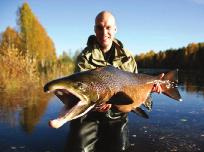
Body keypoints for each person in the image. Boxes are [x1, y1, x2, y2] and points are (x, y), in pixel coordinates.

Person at [66, 11, 162, 152]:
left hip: (117, 114)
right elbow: (82, 91)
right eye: (100, 27)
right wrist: (96, 104)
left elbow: (136, 87)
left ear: (115, 29)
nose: (104, 32)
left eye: (108, 27)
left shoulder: (128, 57)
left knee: (120, 148)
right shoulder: (84, 57)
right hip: (89, 114)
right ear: (94, 30)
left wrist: (150, 90)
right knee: (78, 148)